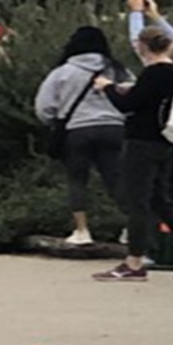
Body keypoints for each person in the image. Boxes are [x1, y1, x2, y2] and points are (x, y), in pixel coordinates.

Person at [90, 27, 173, 281]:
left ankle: (134, 262)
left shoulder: (154, 73)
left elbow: (128, 105)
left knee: (137, 201)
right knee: (160, 200)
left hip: (142, 142)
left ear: (142, 46)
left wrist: (108, 87)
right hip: (165, 141)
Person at [33, 27, 130, 246]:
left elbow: (44, 106)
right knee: (116, 179)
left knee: (77, 179)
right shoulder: (117, 69)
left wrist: (54, 121)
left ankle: (82, 230)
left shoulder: (62, 72)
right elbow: (133, 95)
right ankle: (132, 226)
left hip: (77, 130)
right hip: (114, 128)